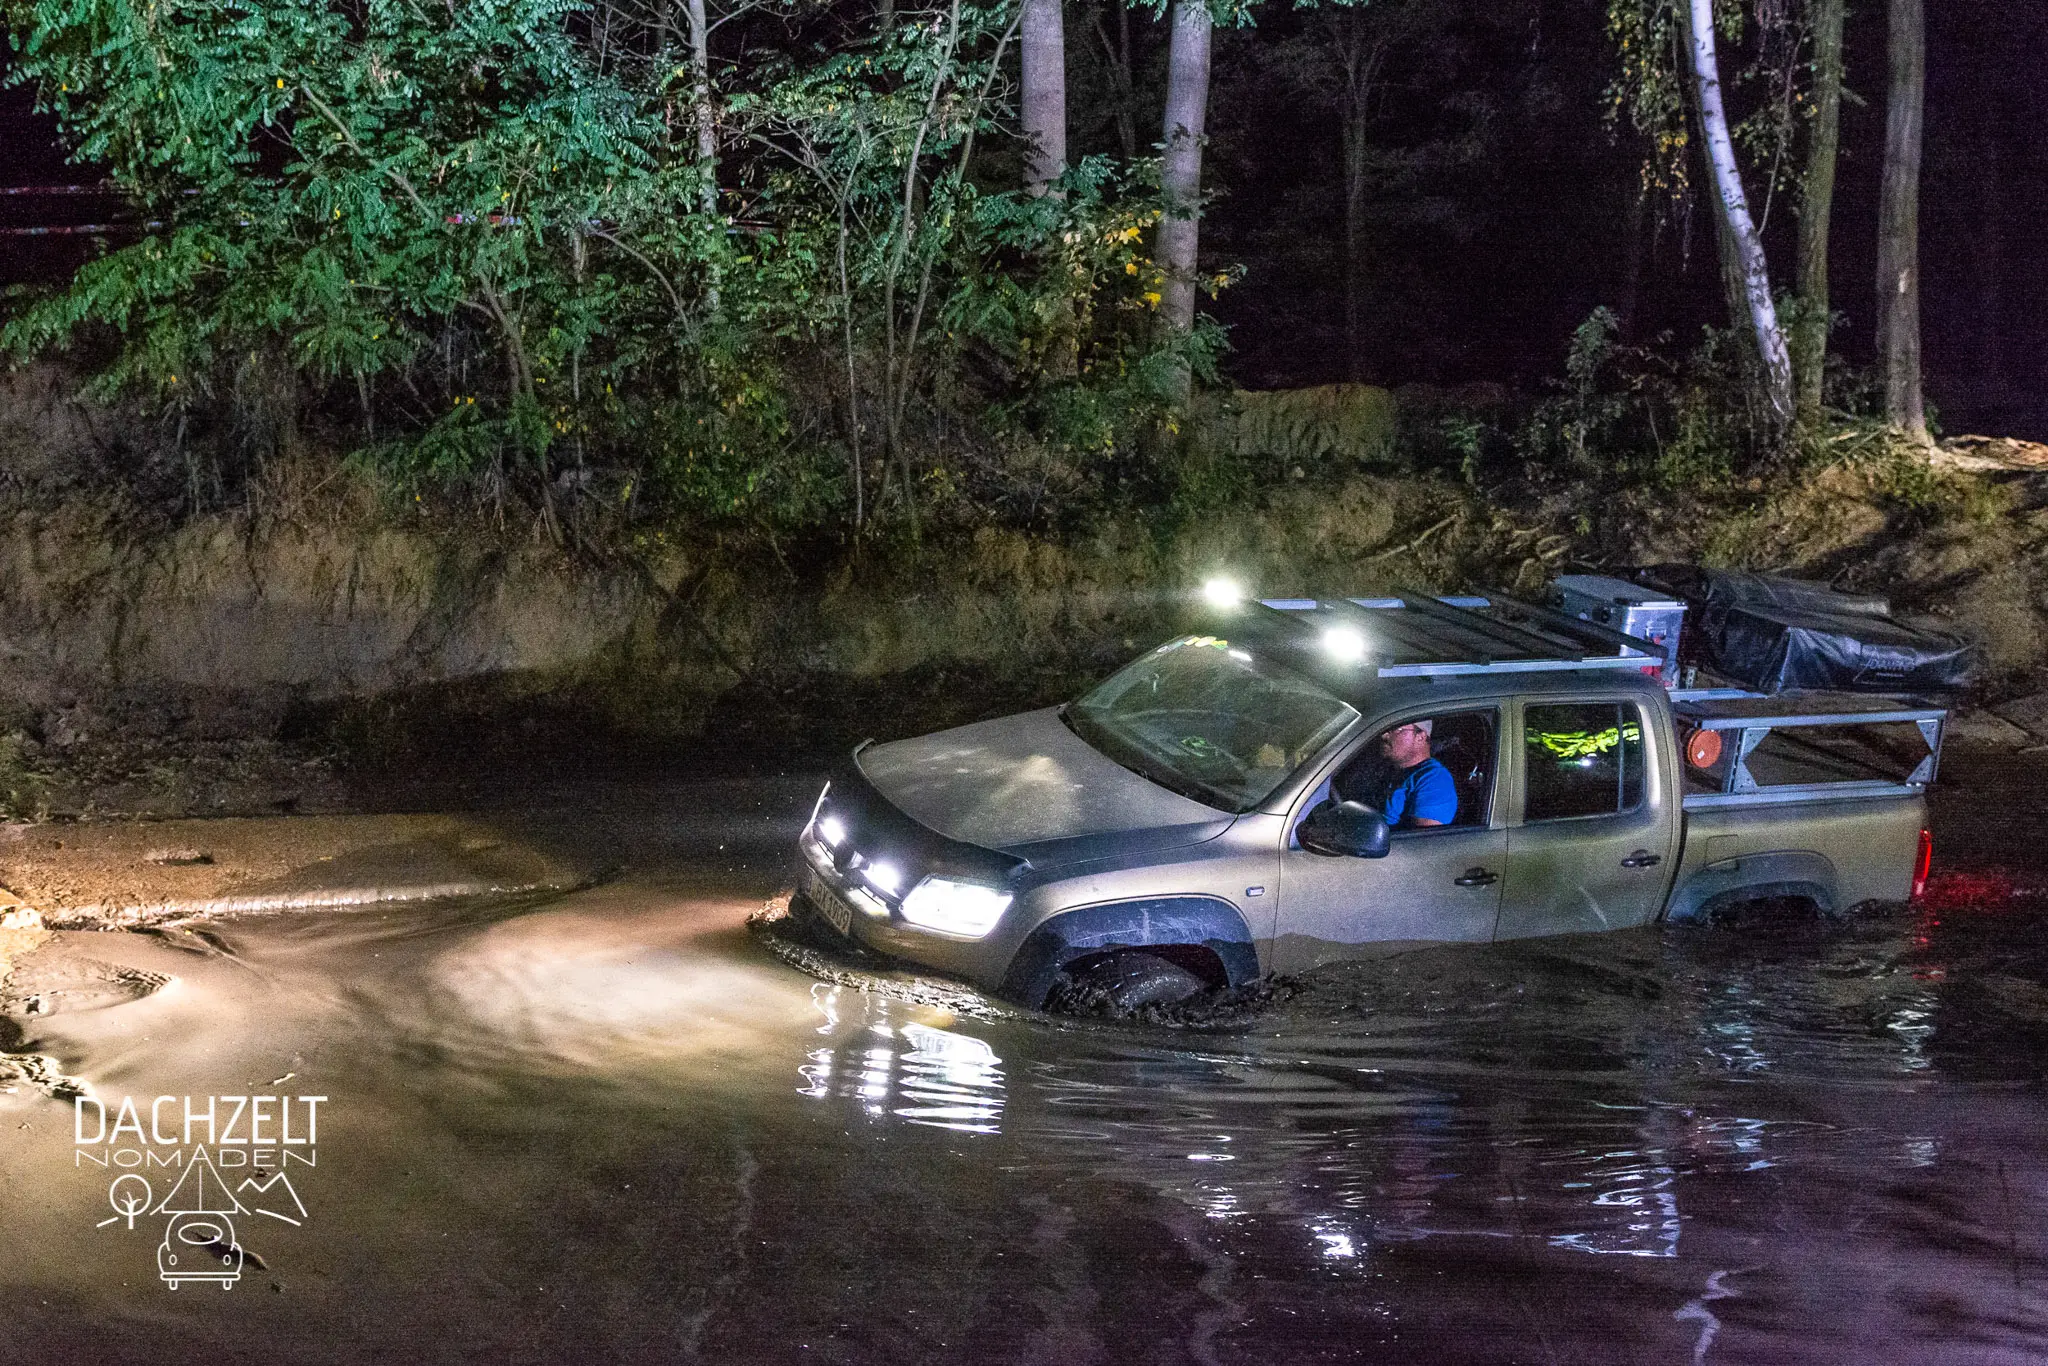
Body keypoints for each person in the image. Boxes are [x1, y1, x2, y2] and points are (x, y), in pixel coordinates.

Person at [1338, 718, 1457, 828]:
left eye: (1396, 729)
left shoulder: (1434, 780)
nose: (1384, 735)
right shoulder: (1384, 768)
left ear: (1420, 737)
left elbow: (1422, 843)